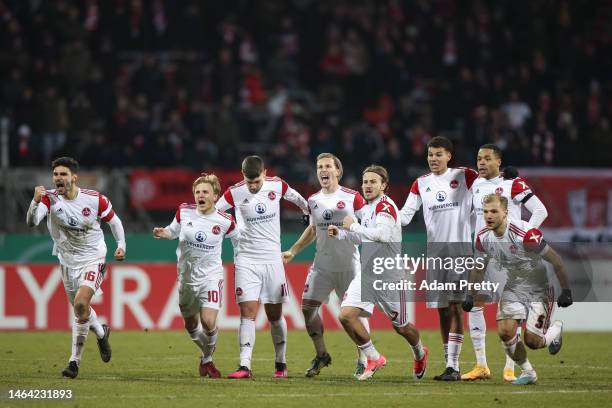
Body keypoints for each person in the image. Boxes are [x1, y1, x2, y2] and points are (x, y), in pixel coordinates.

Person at [26, 157, 125, 378]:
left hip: (93, 258)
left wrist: (121, 246)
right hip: (67, 261)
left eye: (63, 174)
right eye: (55, 175)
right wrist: (34, 202)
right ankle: (101, 332)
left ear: (74, 178)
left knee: (81, 304)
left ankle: (74, 363)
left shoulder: (94, 199)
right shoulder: (49, 200)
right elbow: (32, 222)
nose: (58, 178)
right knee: (81, 310)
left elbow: (114, 221)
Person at [329, 165, 428, 381]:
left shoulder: (386, 207)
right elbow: (361, 238)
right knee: (346, 316)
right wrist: (342, 233)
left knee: (401, 327)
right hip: (367, 276)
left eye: (373, 182)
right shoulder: (366, 209)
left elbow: (381, 235)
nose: (368, 186)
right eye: (365, 182)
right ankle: (374, 357)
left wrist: (353, 227)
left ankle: (420, 351)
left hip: (389, 277)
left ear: (384, 185)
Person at [216, 155, 309, 378]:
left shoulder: (277, 185)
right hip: (246, 260)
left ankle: (280, 364)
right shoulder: (234, 192)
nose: (254, 186)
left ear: (265, 173)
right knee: (247, 313)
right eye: (250, 182)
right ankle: (244, 365)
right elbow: (215, 213)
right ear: (242, 176)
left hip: (273, 261)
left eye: (257, 181)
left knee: (274, 315)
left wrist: (307, 213)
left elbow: (299, 200)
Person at [464, 194, 573, 385]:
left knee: (533, 341)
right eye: (485, 212)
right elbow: (478, 268)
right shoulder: (483, 237)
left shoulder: (524, 234)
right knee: (506, 332)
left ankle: (555, 331)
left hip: (540, 287)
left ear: (505, 212)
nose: (488, 216)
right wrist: (470, 295)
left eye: (494, 211)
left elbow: (555, 259)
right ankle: (529, 372)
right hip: (514, 285)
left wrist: (566, 290)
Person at [464, 144, 549, 381]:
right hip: (483, 252)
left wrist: (526, 239)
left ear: (498, 162)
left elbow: (540, 211)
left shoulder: (513, 183)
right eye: (478, 158)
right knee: (476, 302)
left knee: (508, 311)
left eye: (487, 158)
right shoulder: (475, 186)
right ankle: (481, 365)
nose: (481, 162)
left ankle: (511, 367)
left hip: (508, 256)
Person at [282, 153, 370, 377]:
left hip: (350, 266)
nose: (323, 170)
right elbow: (313, 229)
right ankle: (322, 355)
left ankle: (364, 358)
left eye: (328, 166)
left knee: (355, 315)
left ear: (337, 171)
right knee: (308, 309)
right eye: (320, 166)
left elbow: (365, 229)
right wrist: (294, 249)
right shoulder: (313, 200)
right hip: (322, 266)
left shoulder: (353, 198)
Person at [399, 136, 478, 381]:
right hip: (435, 254)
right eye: (430, 154)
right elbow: (404, 216)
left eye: (439, 154)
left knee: (455, 307)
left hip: (459, 251)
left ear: (449, 156)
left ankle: (454, 366)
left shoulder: (465, 176)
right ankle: (449, 364)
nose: (433, 158)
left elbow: (490, 184)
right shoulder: (421, 183)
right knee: (442, 310)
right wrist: (379, 213)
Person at [152, 173, 239, 378]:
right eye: (197, 192)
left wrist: (244, 263)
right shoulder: (184, 211)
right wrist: (162, 232)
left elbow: (239, 244)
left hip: (211, 276)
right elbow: (173, 231)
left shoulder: (226, 220)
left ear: (216, 196)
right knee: (191, 325)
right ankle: (207, 356)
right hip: (185, 277)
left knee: (208, 322)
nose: (200, 195)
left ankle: (207, 360)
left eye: (205, 192)